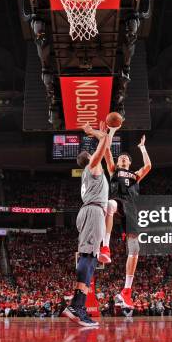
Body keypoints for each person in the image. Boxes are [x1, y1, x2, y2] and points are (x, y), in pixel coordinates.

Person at [62, 122, 115, 327]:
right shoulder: (92, 167)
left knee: (91, 259)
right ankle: (76, 306)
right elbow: (104, 142)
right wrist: (94, 132)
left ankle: (78, 305)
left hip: (92, 212)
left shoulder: (91, 173)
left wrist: (108, 132)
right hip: (92, 212)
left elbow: (106, 142)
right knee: (87, 257)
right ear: (90, 159)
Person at [99, 135, 151, 309]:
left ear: (129, 162)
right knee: (109, 205)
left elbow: (149, 166)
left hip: (131, 210)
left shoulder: (135, 175)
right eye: (121, 157)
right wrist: (108, 135)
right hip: (117, 201)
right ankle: (105, 247)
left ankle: (126, 291)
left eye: (126, 158)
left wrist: (142, 147)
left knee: (135, 250)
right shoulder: (113, 169)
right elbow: (106, 152)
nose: (122, 158)